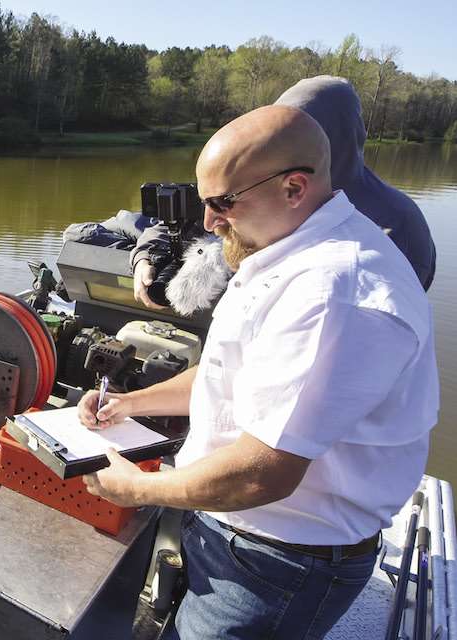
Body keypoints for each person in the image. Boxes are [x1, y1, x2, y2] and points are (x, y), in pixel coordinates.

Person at [77, 105, 438, 638]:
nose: (208, 222)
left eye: (223, 202)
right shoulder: (284, 246)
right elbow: (228, 373)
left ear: (294, 188)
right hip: (232, 530)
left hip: (279, 563)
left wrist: (139, 489)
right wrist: (130, 404)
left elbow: (261, 473)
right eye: (204, 201)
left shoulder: (336, 293)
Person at [131, 75, 436, 309]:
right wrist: (145, 259)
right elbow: (181, 220)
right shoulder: (257, 186)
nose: (212, 220)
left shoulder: (396, 226)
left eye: (290, 130)